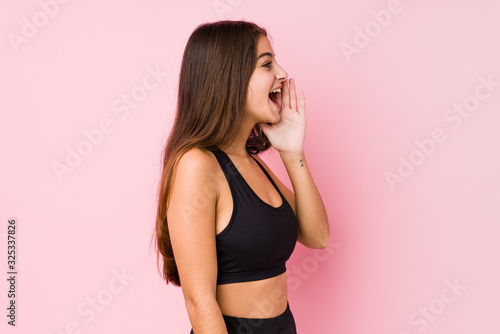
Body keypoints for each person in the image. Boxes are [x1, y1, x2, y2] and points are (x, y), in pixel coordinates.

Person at [153, 20, 330, 334]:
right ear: (230, 77)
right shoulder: (197, 165)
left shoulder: (249, 162)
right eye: (267, 64)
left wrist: (293, 154)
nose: (282, 73)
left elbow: (317, 237)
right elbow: (199, 300)